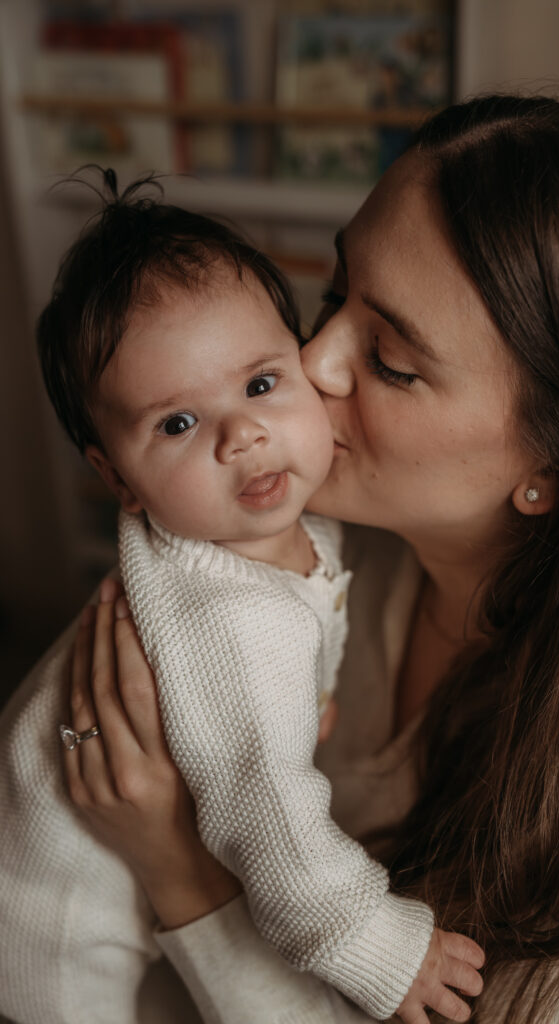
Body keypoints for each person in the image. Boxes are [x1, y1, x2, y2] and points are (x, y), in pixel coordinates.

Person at [12, 91, 559, 1024]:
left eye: (392, 359)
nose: (309, 360)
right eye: (331, 299)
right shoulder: (304, 543)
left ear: (551, 470)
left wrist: (179, 866)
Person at [0, 185, 484, 1024]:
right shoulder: (226, 620)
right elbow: (274, 831)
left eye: (261, 382)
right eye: (179, 423)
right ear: (115, 476)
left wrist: (308, 699)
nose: (242, 435)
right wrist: (380, 949)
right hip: (51, 923)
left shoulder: (291, 524)